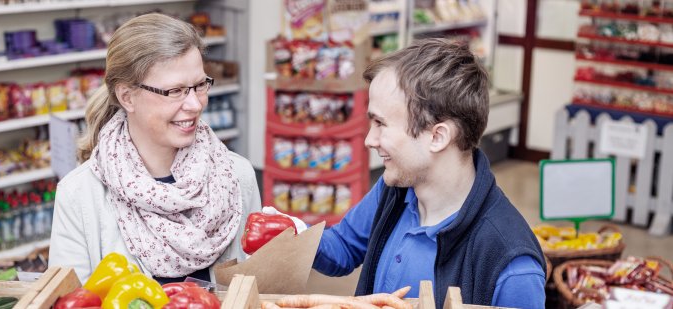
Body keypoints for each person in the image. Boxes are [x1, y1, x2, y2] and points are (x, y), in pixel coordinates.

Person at [312, 38, 546, 308]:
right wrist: (293, 234)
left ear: (437, 136)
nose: (369, 140)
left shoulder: (511, 266)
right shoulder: (395, 191)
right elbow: (343, 248)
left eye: (380, 123)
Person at [48, 13, 261, 284]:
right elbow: (72, 299)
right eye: (175, 91)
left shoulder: (237, 176)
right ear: (127, 97)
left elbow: (255, 287)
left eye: (200, 85)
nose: (195, 105)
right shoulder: (79, 194)